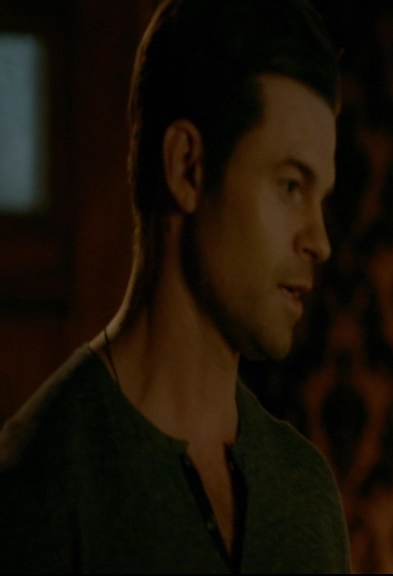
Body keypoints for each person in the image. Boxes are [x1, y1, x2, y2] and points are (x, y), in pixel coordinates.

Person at [0, 0, 350, 572]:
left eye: (322, 198)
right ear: (187, 167)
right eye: (291, 186)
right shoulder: (42, 485)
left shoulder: (305, 494)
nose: (320, 240)